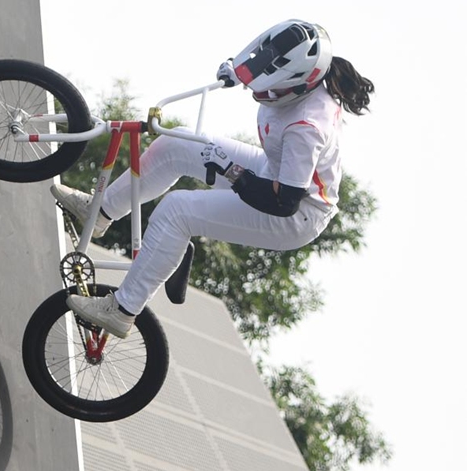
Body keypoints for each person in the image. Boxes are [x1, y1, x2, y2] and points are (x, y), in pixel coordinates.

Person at [52, 19, 375, 338]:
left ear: (302, 84)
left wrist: (231, 171)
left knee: (175, 212)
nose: (262, 90)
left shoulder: (307, 127)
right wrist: (236, 71)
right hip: (272, 169)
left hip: (296, 213)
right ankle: (101, 212)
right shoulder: (291, 54)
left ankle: (122, 311)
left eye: (274, 86)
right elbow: (254, 61)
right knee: (177, 142)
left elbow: (282, 201)